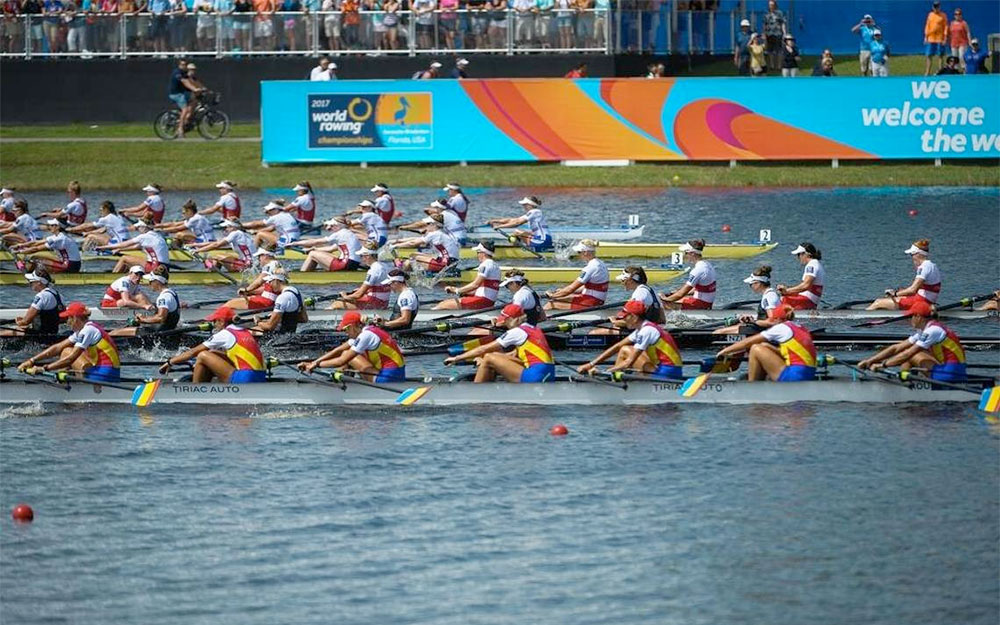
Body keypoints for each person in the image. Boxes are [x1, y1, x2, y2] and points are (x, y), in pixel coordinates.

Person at [443, 303, 555, 383]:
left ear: (514, 319)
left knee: (488, 357)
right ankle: (489, 383)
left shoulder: (517, 332)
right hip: (548, 375)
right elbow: (511, 356)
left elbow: (484, 349)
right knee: (493, 357)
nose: (505, 323)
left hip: (535, 377)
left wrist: (457, 358)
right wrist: (480, 361)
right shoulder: (535, 330)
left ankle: (476, 392)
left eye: (506, 320)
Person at [857, 300, 966, 382]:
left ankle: (906, 385)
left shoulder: (933, 331)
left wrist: (883, 365)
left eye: (910, 316)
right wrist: (870, 361)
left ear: (918, 317)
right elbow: (896, 348)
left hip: (951, 374)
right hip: (952, 370)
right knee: (908, 351)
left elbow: (908, 354)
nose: (909, 319)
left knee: (911, 354)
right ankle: (908, 380)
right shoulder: (926, 329)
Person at [577, 300, 684, 380]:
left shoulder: (646, 331)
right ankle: (615, 378)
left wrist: (603, 372)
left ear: (634, 317)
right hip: (663, 368)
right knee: (624, 349)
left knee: (626, 351)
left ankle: (613, 379)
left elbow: (629, 362)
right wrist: (591, 364)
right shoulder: (642, 328)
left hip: (668, 373)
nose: (623, 319)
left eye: (625, 316)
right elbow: (618, 346)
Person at [18, 301, 122, 383]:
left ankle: (66, 384)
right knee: (65, 349)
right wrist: (32, 360)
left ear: (75, 318)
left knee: (67, 352)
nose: (67, 322)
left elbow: (71, 359)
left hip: (105, 375)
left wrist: (44, 368)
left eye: (68, 318)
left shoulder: (88, 330)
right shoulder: (83, 330)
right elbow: (57, 347)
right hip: (104, 371)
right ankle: (63, 379)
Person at [159, 305, 266, 383]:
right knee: (213, 352)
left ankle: (195, 391)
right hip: (260, 376)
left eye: (214, 321)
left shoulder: (225, 333)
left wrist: (170, 362)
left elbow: (192, 352)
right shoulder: (245, 331)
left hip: (245, 378)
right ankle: (206, 385)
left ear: (221, 321)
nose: (213, 325)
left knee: (202, 355)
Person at [299, 310, 406, 382]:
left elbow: (341, 360)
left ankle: (342, 385)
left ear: (353, 326)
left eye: (346, 329)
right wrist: (314, 362)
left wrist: (316, 366)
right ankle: (342, 379)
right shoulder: (367, 331)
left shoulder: (366, 336)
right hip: (395, 374)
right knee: (346, 352)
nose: (345, 333)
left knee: (348, 356)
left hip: (388, 378)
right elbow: (337, 350)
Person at [715, 306, 816, 382]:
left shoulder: (781, 328)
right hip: (809, 373)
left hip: (795, 375)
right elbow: (789, 353)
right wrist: (766, 347)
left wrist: (724, 352)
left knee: (755, 348)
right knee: (764, 346)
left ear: (776, 319)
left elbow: (747, 342)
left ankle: (752, 388)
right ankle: (762, 380)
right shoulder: (801, 328)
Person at [867, 239, 941, 310]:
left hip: (920, 302)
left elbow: (912, 290)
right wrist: (900, 292)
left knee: (878, 302)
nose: (912, 258)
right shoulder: (932, 265)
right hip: (926, 300)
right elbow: (922, 289)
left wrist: (895, 294)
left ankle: (863, 315)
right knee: (889, 299)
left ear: (918, 254)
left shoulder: (923, 267)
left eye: (912, 255)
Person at [110, 266, 181, 337]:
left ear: (156, 281)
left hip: (157, 331)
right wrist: (144, 318)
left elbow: (160, 318)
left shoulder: (163, 297)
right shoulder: (172, 292)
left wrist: (142, 319)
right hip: (166, 329)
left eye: (150, 281)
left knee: (114, 333)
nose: (149, 284)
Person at [544, 239, 607, 310]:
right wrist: (561, 291)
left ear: (585, 252)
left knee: (551, 304)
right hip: (597, 299)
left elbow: (570, 289)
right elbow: (585, 287)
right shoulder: (601, 263)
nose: (578, 255)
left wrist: (553, 295)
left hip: (591, 301)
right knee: (560, 297)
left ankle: (537, 320)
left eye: (579, 252)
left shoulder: (590, 268)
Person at [0, 269, 64, 337]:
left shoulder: (42, 296)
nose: (30, 284)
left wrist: (19, 322)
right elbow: (62, 318)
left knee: (9, 332)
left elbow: (26, 321)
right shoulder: (58, 295)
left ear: (39, 282)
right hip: (53, 333)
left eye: (31, 281)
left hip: (39, 335)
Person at [437, 241, 500, 310]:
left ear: (483, 253)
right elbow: (484, 288)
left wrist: (457, 290)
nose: (477, 255)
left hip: (482, 300)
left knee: (443, 305)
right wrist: (466, 292)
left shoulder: (485, 265)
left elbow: (475, 285)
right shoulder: (495, 265)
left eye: (478, 252)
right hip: (487, 301)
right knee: (447, 303)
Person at [391, 214, 460, 274]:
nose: (425, 226)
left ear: (434, 224)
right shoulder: (439, 232)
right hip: (449, 261)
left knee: (413, 259)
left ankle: (402, 276)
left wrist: (395, 246)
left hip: (446, 263)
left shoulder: (435, 234)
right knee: (414, 254)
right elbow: (415, 239)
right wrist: (397, 241)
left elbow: (413, 243)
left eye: (427, 224)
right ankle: (409, 271)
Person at [329, 244, 390, 310]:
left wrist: (345, 296)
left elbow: (359, 295)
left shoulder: (373, 270)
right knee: (351, 299)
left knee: (336, 304)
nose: (361, 259)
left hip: (374, 304)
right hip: (383, 303)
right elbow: (381, 287)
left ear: (367, 256)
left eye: (361, 256)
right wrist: (364, 290)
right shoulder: (385, 266)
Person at [660, 240, 715, 310]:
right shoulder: (707, 264)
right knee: (676, 298)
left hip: (701, 305)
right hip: (705, 302)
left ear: (692, 253)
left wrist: (666, 299)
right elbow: (697, 289)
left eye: (686, 253)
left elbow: (681, 294)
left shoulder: (698, 270)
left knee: (665, 304)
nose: (685, 255)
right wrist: (675, 292)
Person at [98, 220, 170, 273]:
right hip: (165, 267)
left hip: (154, 267)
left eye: (138, 228)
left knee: (124, 258)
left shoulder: (144, 237)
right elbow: (136, 247)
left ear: (144, 227)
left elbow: (123, 244)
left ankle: (112, 277)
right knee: (130, 264)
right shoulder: (157, 235)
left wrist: (102, 247)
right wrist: (119, 250)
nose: (138, 230)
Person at [11, 219, 82, 274]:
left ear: (57, 227)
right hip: (70, 263)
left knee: (35, 260)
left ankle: (27, 274)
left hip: (70, 266)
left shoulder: (59, 239)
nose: (49, 227)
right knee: (35, 257)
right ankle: (30, 272)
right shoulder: (58, 236)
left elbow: (36, 248)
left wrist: (19, 251)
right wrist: (19, 245)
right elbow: (36, 242)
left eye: (51, 225)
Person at [487, 195, 552, 252]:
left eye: (525, 204)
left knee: (517, 232)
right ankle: (518, 248)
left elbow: (517, 223)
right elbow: (512, 220)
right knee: (520, 232)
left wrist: (499, 227)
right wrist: (494, 221)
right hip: (545, 240)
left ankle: (515, 250)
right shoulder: (533, 214)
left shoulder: (534, 212)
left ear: (530, 205)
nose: (523, 206)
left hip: (541, 241)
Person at [188, 218, 257, 271]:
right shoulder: (241, 234)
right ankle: (213, 272)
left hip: (248, 266)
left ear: (233, 227)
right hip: (251, 264)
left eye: (227, 227)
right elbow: (214, 243)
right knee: (220, 257)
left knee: (216, 257)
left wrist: (198, 251)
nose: (225, 229)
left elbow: (216, 245)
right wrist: (195, 245)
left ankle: (211, 275)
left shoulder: (236, 233)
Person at [777, 242, 824, 310]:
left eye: (799, 254)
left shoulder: (811, 265)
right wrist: (786, 290)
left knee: (782, 299)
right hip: (809, 298)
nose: (798, 257)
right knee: (784, 295)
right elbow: (805, 287)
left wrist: (787, 291)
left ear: (807, 254)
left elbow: (806, 286)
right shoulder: (816, 263)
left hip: (809, 301)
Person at [168, 60, 203, 138]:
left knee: (194, 103)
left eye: (185, 65)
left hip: (182, 94)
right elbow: (185, 82)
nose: (184, 66)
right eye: (182, 64)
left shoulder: (185, 73)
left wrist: (203, 88)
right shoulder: (177, 73)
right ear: (179, 65)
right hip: (175, 94)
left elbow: (192, 81)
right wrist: (194, 89)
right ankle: (180, 129)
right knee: (185, 109)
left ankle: (186, 122)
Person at [924, 0, 947, 76]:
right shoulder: (930, 15)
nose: (936, 8)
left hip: (939, 38)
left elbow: (945, 27)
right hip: (931, 38)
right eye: (935, 7)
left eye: (937, 7)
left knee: (940, 55)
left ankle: (940, 71)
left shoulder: (943, 15)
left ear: (939, 7)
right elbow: (927, 25)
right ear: (932, 7)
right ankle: (927, 72)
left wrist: (945, 37)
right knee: (929, 55)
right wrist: (926, 36)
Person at [762, 0, 786, 73]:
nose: (771, 6)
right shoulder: (766, 13)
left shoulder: (779, 13)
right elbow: (764, 24)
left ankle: (779, 66)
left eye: (772, 5)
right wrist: (764, 33)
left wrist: (784, 33)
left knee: (779, 50)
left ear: (775, 5)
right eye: (770, 5)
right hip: (769, 33)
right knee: (770, 50)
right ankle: (772, 65)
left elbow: (783, 23)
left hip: (778, 33)